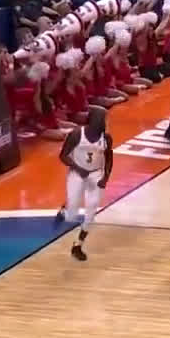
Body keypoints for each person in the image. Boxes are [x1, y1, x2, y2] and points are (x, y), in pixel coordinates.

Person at [53, 107, 113, 261]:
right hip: (77, 173)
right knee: (72, 215)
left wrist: (105, 177)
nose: (104, 121)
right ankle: (64, 211)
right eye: (101, 118)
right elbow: (63, 156)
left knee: (91, 212)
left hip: (96, 174)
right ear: (93, 119)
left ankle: (78, 245)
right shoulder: (76, 134)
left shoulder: (106, 138)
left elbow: (109, 158)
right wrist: (78, 168)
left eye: (104, 118)